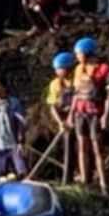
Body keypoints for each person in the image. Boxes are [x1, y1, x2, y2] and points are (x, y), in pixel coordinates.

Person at [68, 37, 109, 194]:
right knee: (82, 147)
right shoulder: (78, 70)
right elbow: (76, 94)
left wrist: (105, 115)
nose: (77, 56)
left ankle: (104, 184)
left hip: (95, 113)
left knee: (97, 149)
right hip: (81, 112)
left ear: (87, 53)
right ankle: (85, 181)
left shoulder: (104, 69)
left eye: (79, 53)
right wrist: (70, 115)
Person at [45, 52, 75, 184]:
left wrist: (71, 119)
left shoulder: (76, 80)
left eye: (59, 69)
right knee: (66, 146)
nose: (57, 71)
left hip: (76, 116)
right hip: (63, 119)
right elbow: (52, 105)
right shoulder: (55, 84)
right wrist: (61, 122)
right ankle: (66, 178)